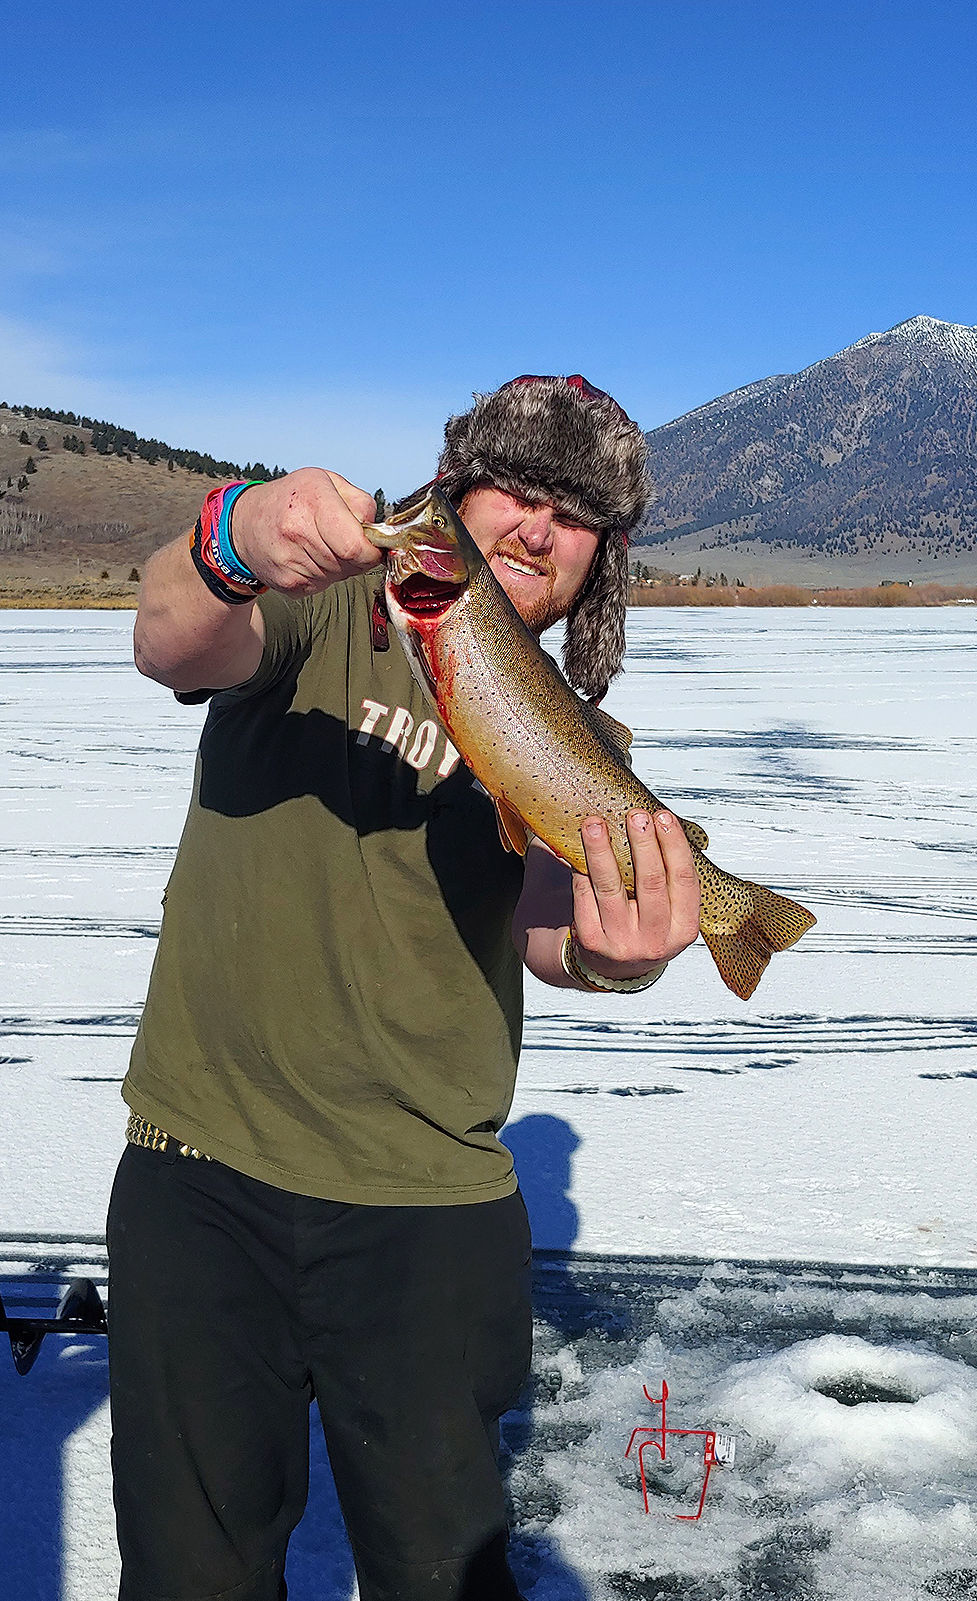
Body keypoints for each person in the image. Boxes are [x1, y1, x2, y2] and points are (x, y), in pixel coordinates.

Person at [107, 374, 702, 1601]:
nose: (537, 529)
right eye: (516, 493)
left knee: (443, 1573)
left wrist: (612, 953)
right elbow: (169, 636)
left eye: (575, 515)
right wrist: (229, 540)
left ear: (602, 558)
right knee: (187, 1576)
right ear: (454, 491)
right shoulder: (320, 612)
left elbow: (547, 926)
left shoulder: (566, 725)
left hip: (430, 1206)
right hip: (202, 1177)